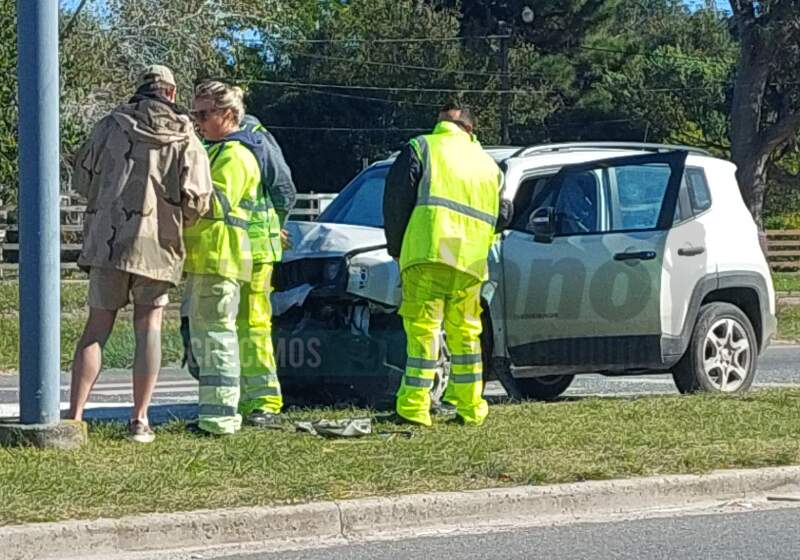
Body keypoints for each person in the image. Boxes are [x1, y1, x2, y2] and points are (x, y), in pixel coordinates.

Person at [68, 64, 213, 443]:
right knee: (148, 329)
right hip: (158, 246)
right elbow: (198, 199)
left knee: (96, 328)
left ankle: (75, 416)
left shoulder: (110, 125)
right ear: (170, 92)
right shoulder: (185, 135)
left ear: (140, 89)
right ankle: (139, 420)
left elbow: (81, 178)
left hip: (107, 242)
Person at [382, 102, 506, 427]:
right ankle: (471, 407)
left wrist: (396, 248)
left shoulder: (423, 147)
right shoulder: (489, 166)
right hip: (469, 258)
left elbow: (396, 200)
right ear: (470, 128)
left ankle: (414, 408)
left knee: (424, 330)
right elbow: (505, 212)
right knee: (465, 333)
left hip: (431, 249)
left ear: (441, 122)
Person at [184, 81, 290, 435]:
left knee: (251, 328)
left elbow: (282, 190)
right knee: (237, 329)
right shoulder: (214, 148)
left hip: (249, 247)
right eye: (194, 114)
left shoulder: (246, 146)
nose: (197, 121)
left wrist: (279, 227)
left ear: (229, 113)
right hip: (237, 249)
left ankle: (261, 402)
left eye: (203, 114)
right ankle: (245, 401)